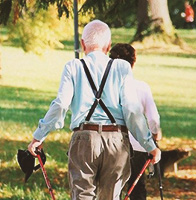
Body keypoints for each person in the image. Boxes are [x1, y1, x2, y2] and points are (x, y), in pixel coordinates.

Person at [27, 20, 162, 200]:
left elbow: (61, 104)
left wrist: (39, 136)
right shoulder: (122, 68)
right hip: (116, 141)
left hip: (84, 139)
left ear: (83, 44)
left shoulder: (73, 67)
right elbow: (132, 110)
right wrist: (149, 146)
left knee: (82, 195)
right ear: (108, 46)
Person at [109, 43, 162, 200]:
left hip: (111, 144)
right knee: (137, 187)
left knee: (111, 187)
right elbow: (153, 118)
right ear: (133, 62)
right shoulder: (141, 87)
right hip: (138, 145)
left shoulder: (106, 87)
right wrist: (155, 134)